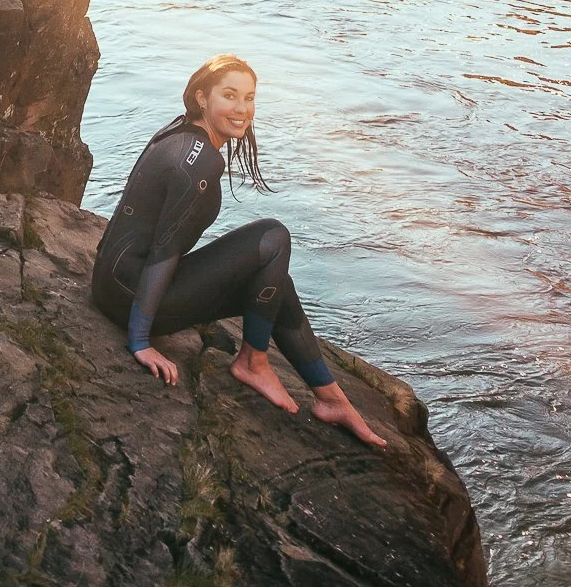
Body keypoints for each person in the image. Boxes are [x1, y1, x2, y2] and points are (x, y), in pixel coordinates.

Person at [91, 53, 384, 446]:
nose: (242, 108)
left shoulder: (181, 132)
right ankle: (252, 361)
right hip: (130, 297)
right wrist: (140, 342)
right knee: (273, 237)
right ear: (201, 98)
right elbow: (164, 252)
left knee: (274, 276)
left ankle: (331, 399)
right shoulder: (199, 163)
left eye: (249, 98)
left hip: (114, 283)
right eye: (229, 96)